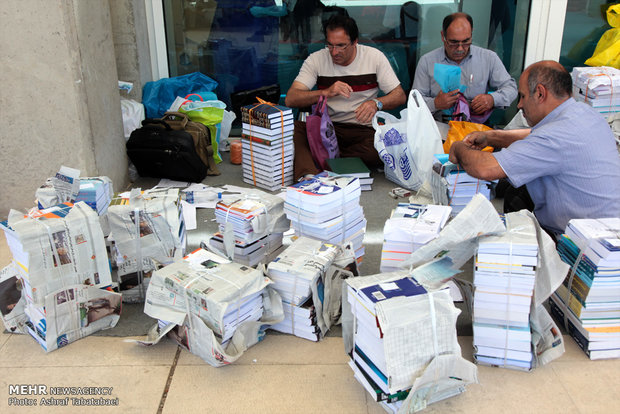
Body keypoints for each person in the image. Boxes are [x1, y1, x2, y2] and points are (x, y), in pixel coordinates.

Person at [449, 60, 620, 237]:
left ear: (540, 93)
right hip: (608, 227)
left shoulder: (555, 136)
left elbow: (485, 169)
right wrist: (491, 137)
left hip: (584, 246)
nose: (519, 105)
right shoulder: (585, 114)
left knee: (512, 196)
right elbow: (535, 136)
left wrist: (459, 148)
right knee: (518, 190)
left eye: (522, 96)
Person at [285, 15, 407, 180]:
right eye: (330, 45)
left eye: (341, 46)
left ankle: (323, 159)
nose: (334, 52)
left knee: (379, 150)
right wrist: (325, 92)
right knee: (295, 129)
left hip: (363, 129)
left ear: (355, 41)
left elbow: (399, 96)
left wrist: (376, 103)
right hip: (328, 128)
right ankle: (308, 177)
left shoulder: (374, 57)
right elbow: (291, 98)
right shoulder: (317, 59)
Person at [413, 12, 517, 122]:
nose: (460, 49)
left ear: (471, 35)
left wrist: (492, 99)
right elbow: (414, 101)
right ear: (443, 36)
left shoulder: (488, 58)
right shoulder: (427, 61)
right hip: (438, 127)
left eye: (466, 41)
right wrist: (435, 104)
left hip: (476, 128)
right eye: (454, 42)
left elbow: (511, 88)